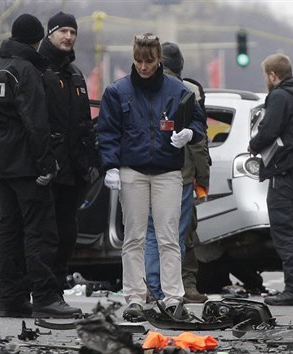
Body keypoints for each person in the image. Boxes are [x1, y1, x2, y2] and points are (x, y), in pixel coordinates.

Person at [0, 13, 81, 319]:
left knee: (10, 230)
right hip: (28, 165)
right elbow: (36, 123)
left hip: (1, 164)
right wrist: (46, 164)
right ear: (37, 39)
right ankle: (47, 298)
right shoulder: (27, 72)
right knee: (41, 231)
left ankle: (10, 298)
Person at [98, 33, 206, 322]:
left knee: (168, 236)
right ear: (133, 59)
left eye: (149, 61)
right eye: (138, 61)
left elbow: (198, 120)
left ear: (159, 60)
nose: (143, 67)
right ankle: (134, 296)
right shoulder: (118, 91)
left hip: (168, 171)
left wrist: (190, 133)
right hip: (132, 170)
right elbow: (107, 131)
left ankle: (173, 297)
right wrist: (110, 165)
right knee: (134, 236)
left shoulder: (178, 89)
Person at [247, 53, 293, 306]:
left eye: (265, 76)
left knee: (286, 234)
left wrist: (253, 145)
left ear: (272, 75)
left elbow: (268, 129)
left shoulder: (279, 96)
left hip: (285, 172)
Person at [144, 42, 210, 304]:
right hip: (180, 175)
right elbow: (198, 140)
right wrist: (203, 179)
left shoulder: (141, 84)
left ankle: (153, 288)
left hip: (147, 171)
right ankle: (175, 289)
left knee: (150, 232)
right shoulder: (189, 89)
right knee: (178, 235)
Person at [39, 11, 101, 290]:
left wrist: (89, 161)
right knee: (45, 234)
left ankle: (57, 286)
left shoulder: (75, 74)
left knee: (68, 233)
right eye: (63, 31)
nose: (68, 37)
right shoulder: (38, 69)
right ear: (49, 34)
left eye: (73, 32)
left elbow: (83, 124)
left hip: (73, 170)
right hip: (47, 168)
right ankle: (42, 289)